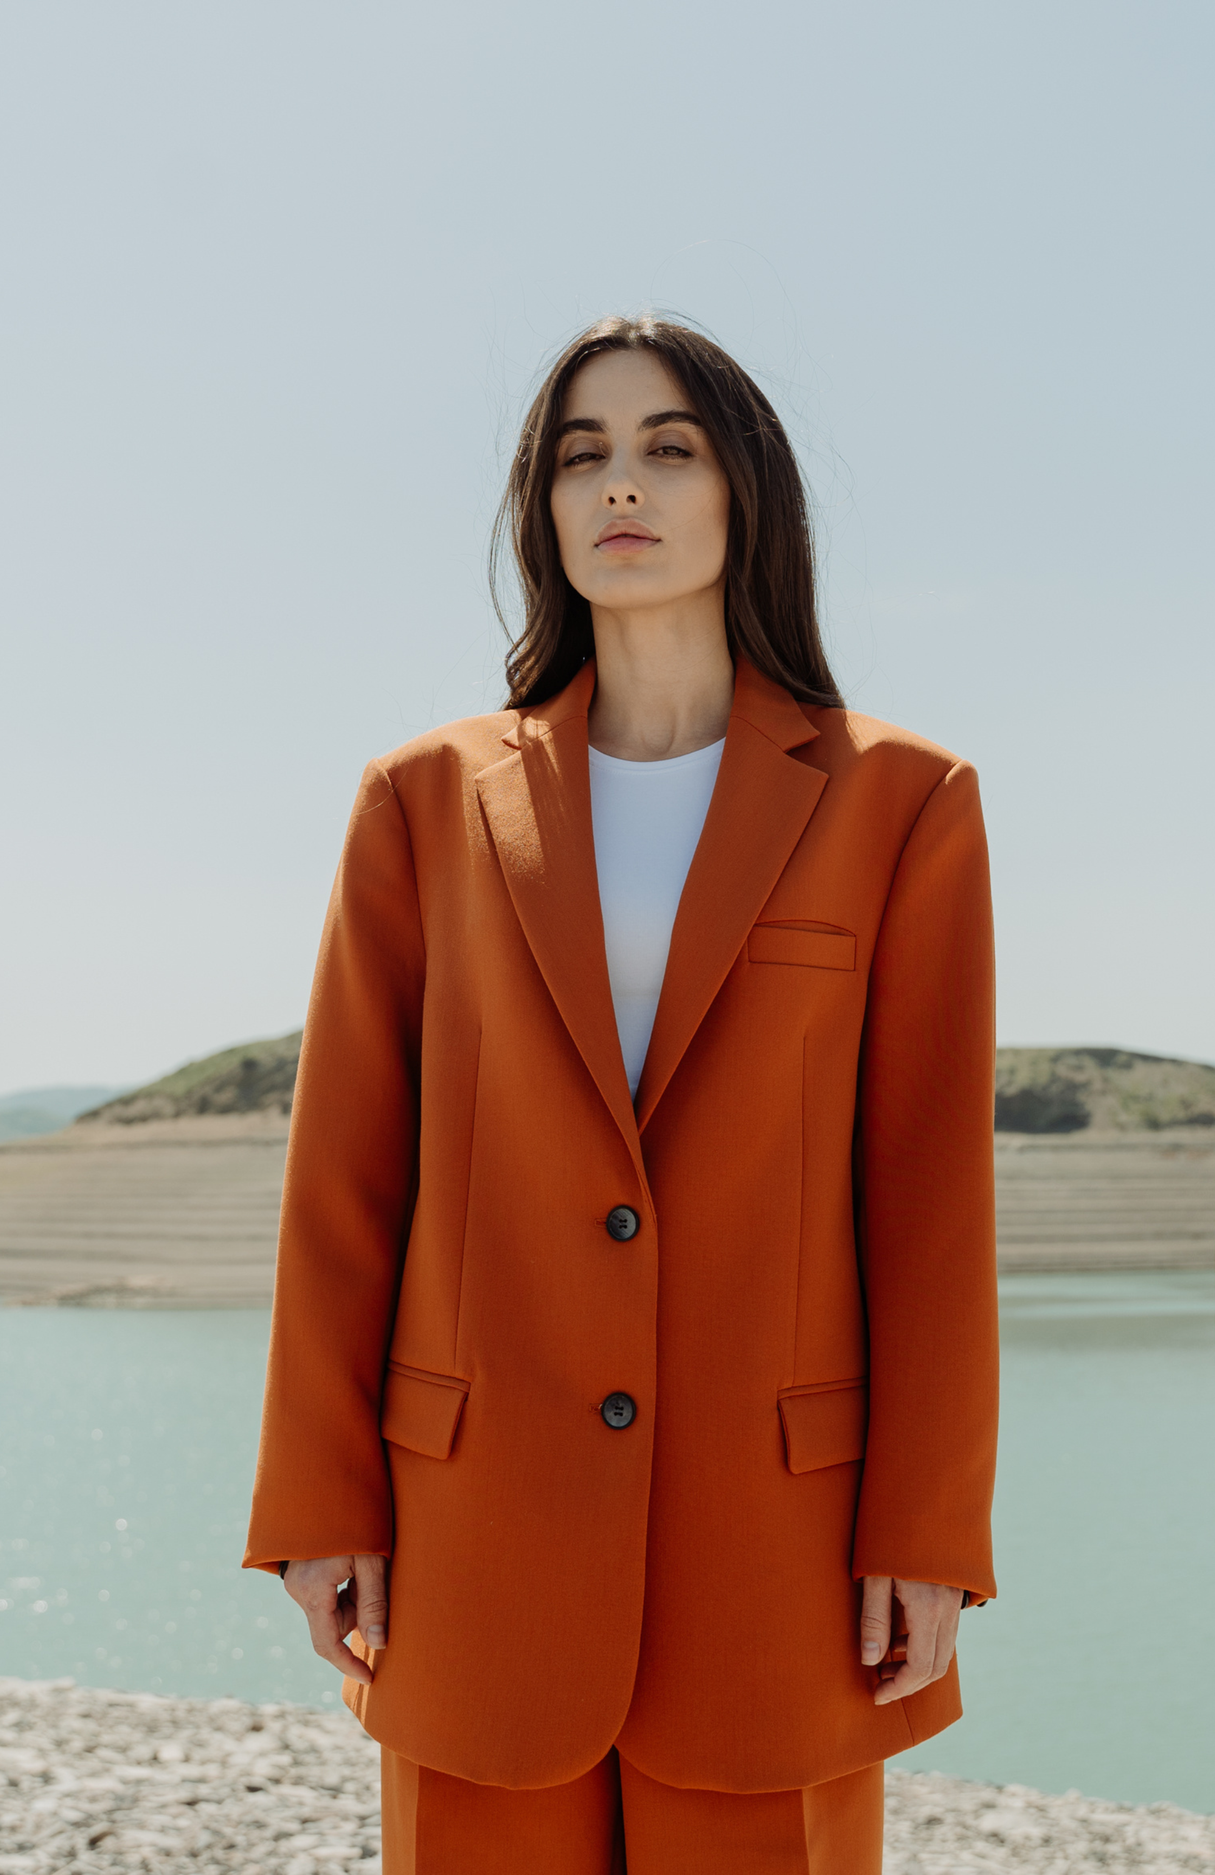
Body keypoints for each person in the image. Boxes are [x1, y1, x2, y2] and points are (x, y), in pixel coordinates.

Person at [243, 314, 1001, 1874]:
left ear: (747, 496)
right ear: (544, 509)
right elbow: (346, 1177)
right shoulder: (426, 800)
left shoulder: (902, 802)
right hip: (475, 1537)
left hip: (779, 1548)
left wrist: (925, 1530)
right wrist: (322, 1495)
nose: (622, 486)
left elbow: (928, 1198)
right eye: (582, 455)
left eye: (669, 447)